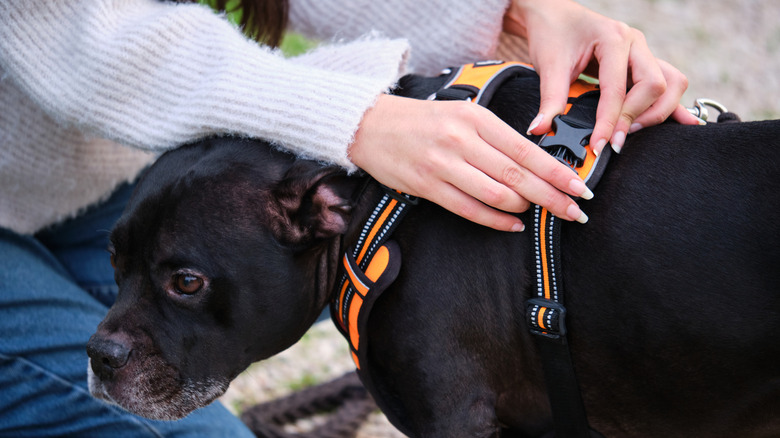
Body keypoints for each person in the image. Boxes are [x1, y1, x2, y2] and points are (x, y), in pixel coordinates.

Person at [0, 0, 699, 436]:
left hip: (87, 183)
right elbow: (80, 35)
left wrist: (517, 9)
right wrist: (355, 119)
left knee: (361, 255)